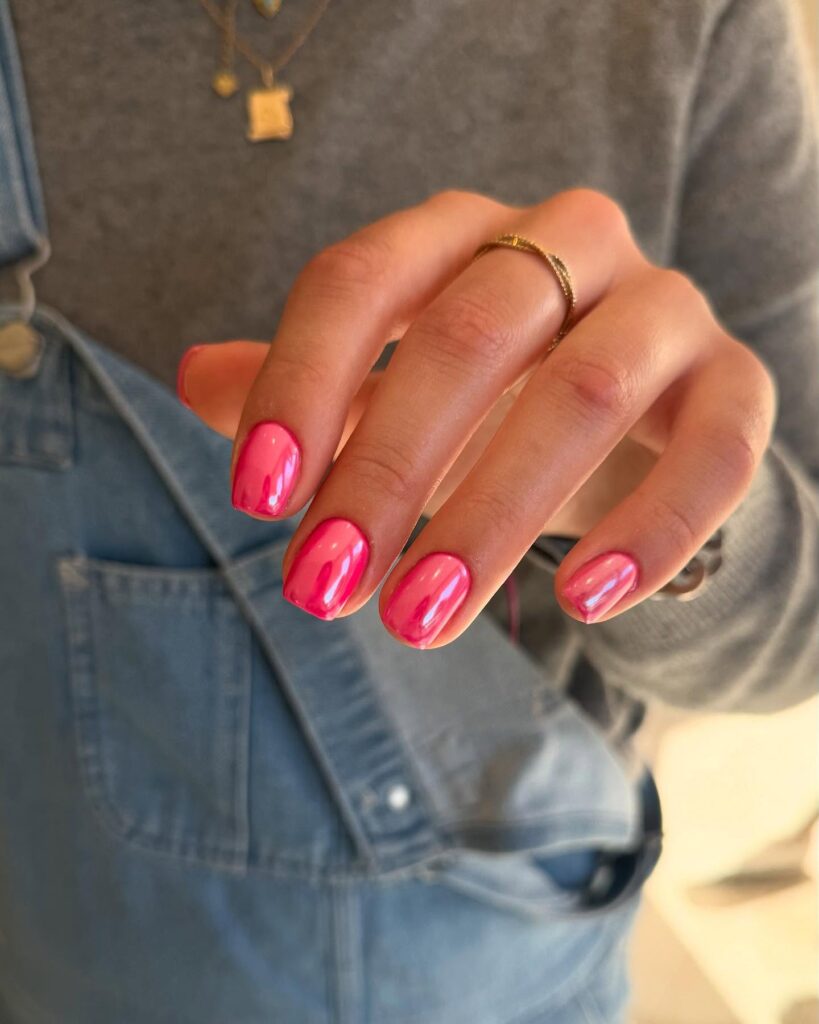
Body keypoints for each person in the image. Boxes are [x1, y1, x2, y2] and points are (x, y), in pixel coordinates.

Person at [0, 0, 816, 1021]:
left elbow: (802, 631)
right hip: (60, 927)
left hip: (505, 964)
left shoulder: (684, 22)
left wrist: (671, 526)